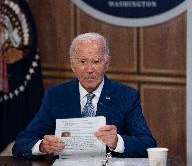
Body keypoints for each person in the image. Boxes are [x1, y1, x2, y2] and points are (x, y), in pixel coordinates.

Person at [12, 32, 156, 158]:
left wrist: (117, 142)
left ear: (106, 63)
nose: (89, 69)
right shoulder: (56, 96)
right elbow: (22, 143)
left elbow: (148, 143)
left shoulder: (126, 96)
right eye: (82, 62)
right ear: (72, 65)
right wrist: (42, 146)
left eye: (96, 61)